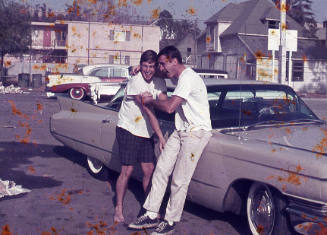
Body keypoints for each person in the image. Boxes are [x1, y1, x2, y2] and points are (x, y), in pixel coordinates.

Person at [128, 46, 212, 234]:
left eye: (163, 64)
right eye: (159, 65)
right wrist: (138, 67)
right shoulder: (176, 74)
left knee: (179, 179)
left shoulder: (188, 79)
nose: (161, 68)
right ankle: (150, 214)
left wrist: (149, 102)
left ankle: (171, 220)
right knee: (161, 170)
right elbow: (152, 71)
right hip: (181, 129)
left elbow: (169, 108)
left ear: (175, 61)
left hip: (196, 133)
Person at [114, 50, 167, 223]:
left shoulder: (159, 81)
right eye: (144, 66)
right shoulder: (135, 81)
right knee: (127, 171)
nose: (148, 70)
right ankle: (118, 208)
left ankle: (149, 208)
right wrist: (160, 136)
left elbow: (165, 103)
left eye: (151, 66)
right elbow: (148, 111)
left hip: (145, 131)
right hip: (129, 129)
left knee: (149, 171)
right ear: (140, 65)